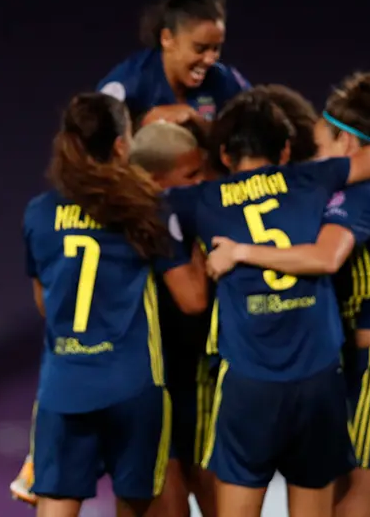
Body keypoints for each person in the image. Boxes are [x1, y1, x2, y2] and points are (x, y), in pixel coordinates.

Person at [205, 74, 370, 517]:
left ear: (345, 142)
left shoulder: (356, 197)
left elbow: (325, 258)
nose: (317, 156)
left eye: (322, 144)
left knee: (349, 508)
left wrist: (243, 252)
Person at [164, 87, 370, 517]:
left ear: (224, 154)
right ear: (284, 149)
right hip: (318, 380)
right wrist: (311, 169)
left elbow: (141, 193)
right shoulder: (310, 179)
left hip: (249, 384)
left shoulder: (200, 201)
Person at [23, 93, 209, 517]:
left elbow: (46, 305)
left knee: (55, 505)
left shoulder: (39, 213)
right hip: (133, 385)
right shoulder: (145, 209)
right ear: (122, 147)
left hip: (65, 385)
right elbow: (193, 298)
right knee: (141, 503)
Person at [129, 122, 215, 517]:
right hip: (179, 376)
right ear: (155, 179)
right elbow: (194, 298)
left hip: (141, 376)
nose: (202, 183)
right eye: (192, 176)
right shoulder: (166, 213)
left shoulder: (113, 211)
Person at [97, 0, 254, 132]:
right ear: (167, 38)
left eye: (216, 48)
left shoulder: (224, 80)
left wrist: (198, 122)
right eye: (200, 48)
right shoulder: (127, 83)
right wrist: (142, 124)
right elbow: (91, 146)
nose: (210, 59)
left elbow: (265, 123)